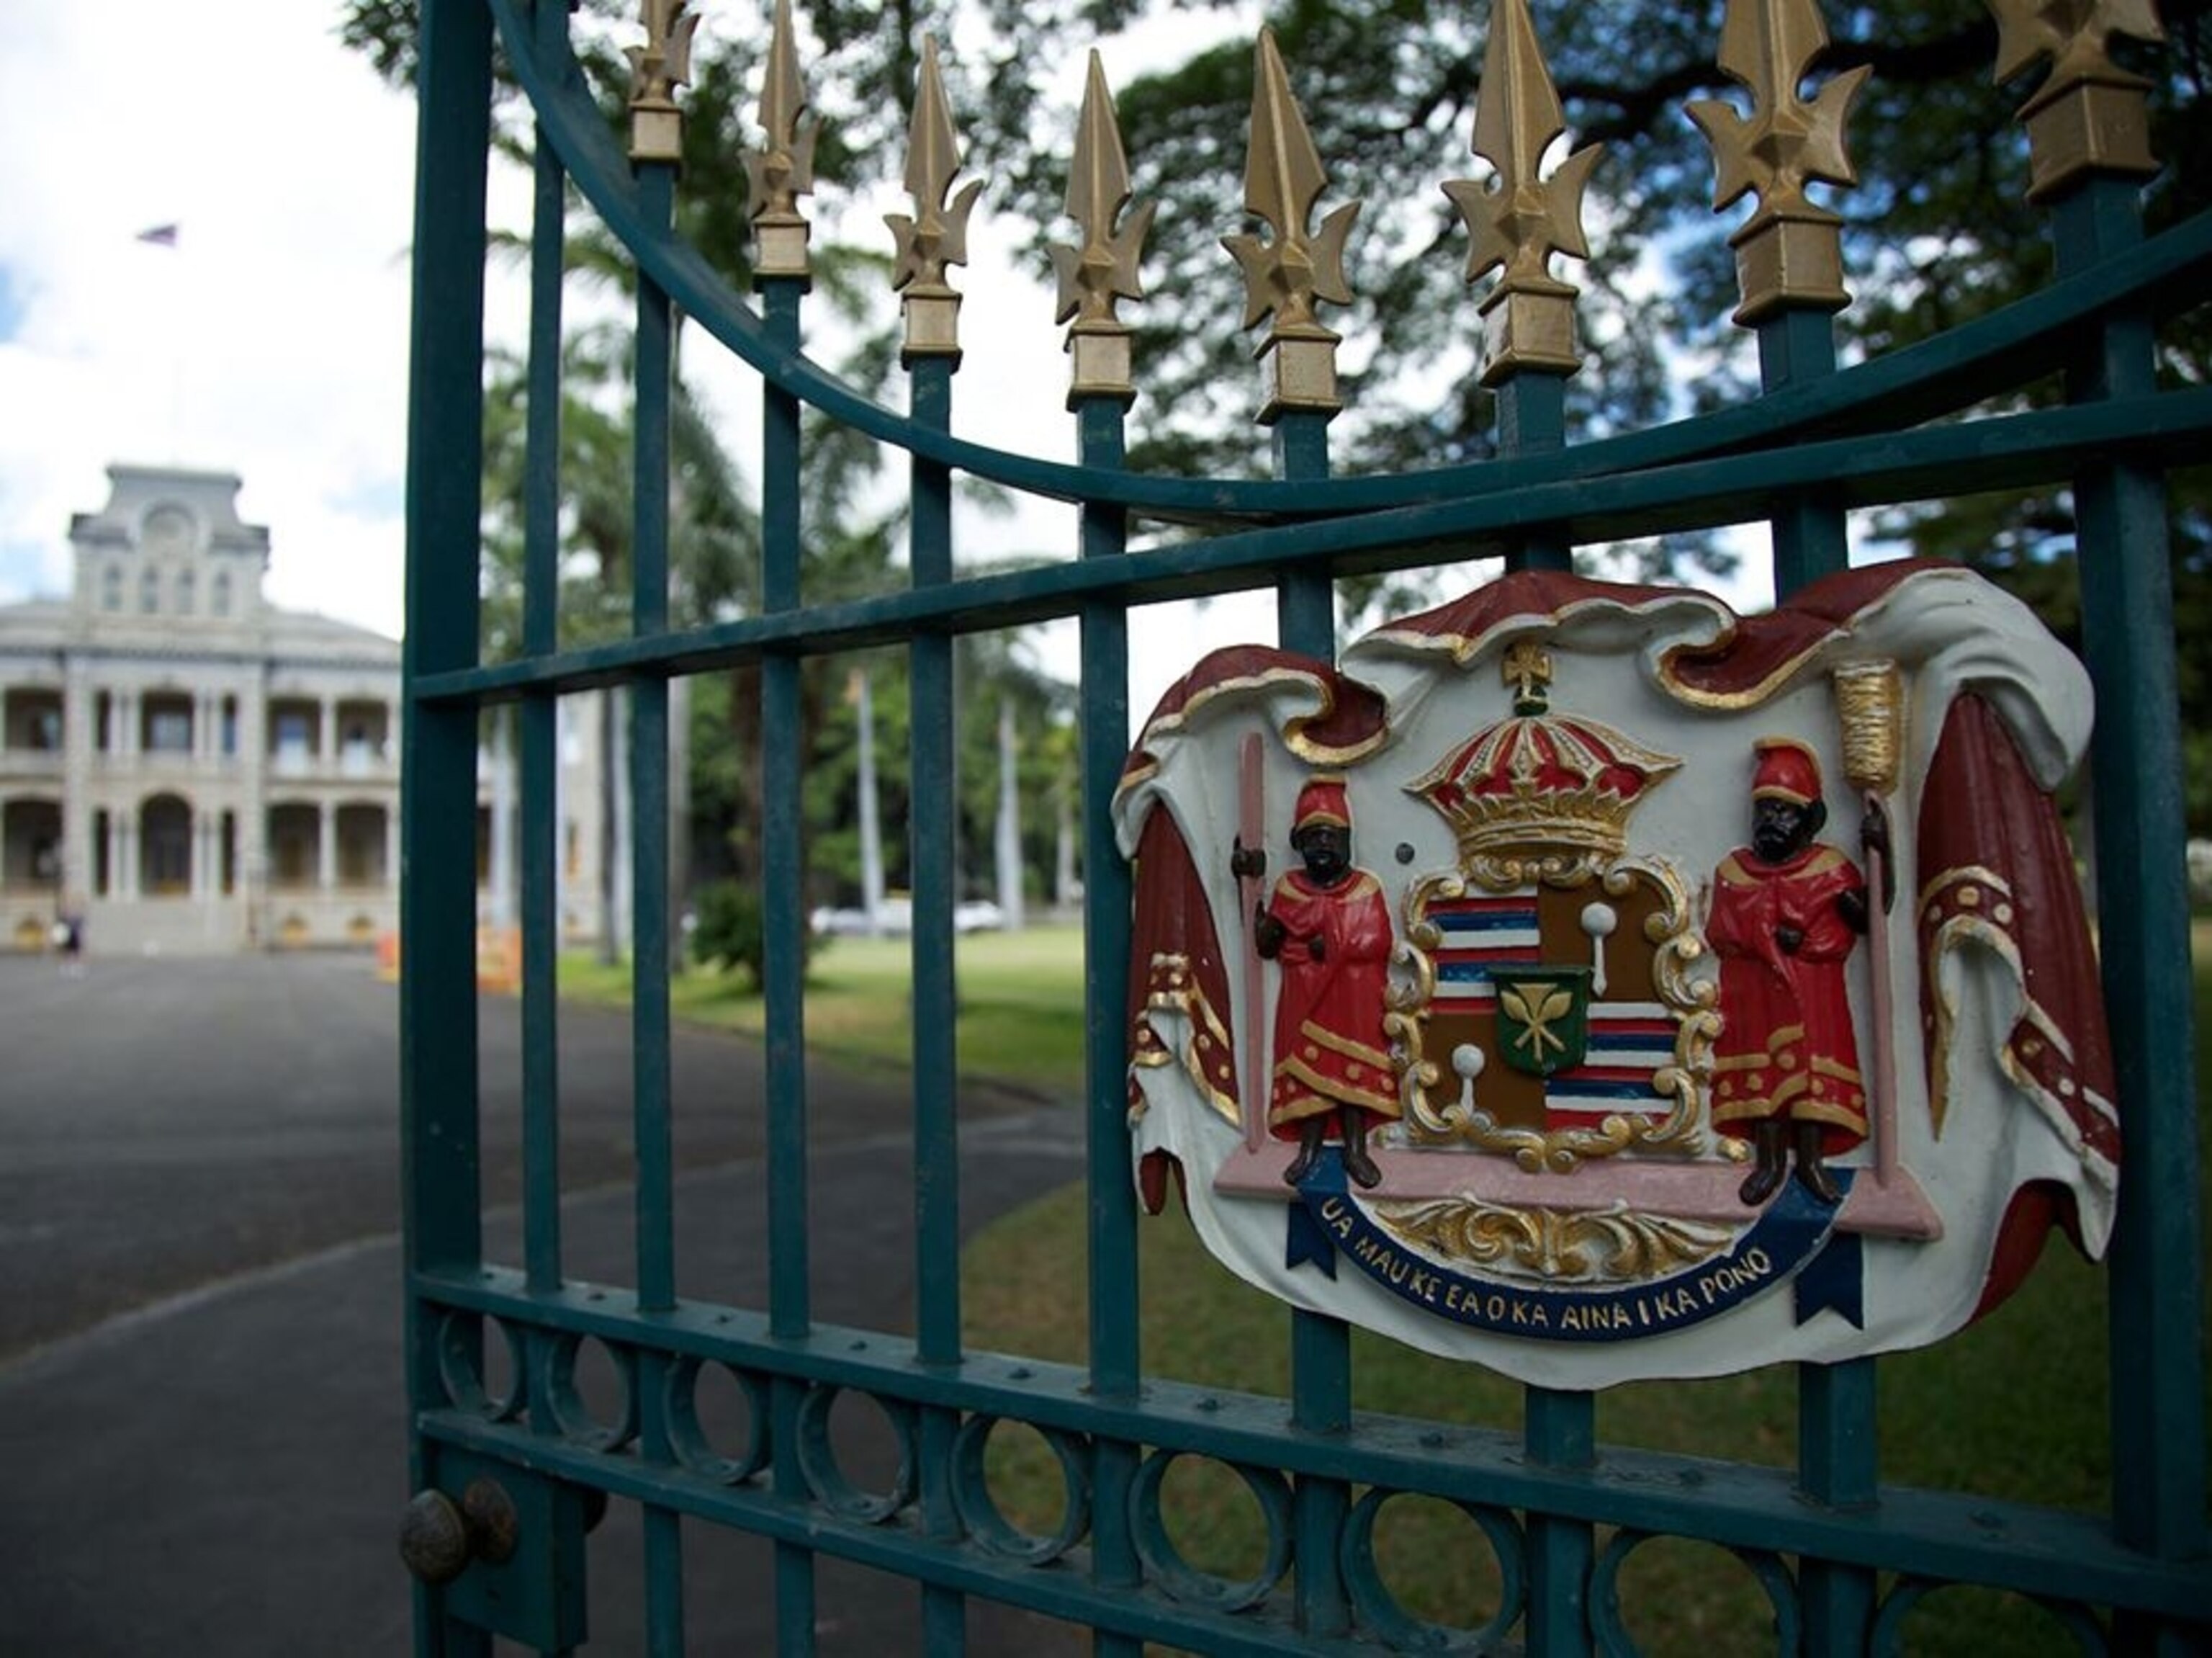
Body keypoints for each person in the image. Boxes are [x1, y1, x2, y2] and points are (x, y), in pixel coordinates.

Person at [1707, 739, 1884, 1205]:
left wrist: (1883, 853)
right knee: (1763, 1080)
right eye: (1764, 810)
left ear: (1811, 818)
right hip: (1755, 993)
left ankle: (1810, 1161)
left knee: (1811, 1076)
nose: (1772, 821)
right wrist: (1766, 935)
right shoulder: (1734, 871)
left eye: (1785, 812)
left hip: (1812, 993)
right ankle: (1767, 1163)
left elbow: (1869, 916)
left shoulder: (1830, 870)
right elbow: (1722, 933)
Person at [1254, 776, 1398, 1188]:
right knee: (1307, 1072)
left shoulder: (1365, 888)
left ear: (1347, 841)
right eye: (1313, 836)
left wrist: (1332, 942)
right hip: (1303, 996)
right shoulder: (1289, 889)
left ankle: (1356, 1149)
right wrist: (1254, 895)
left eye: (1332, 836)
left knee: (1351, 1073)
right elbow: (1268, 945)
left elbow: (1377, 939)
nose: (1323, 844)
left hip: (1352, 998)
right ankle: (1309, 1149)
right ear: (1297, 842)